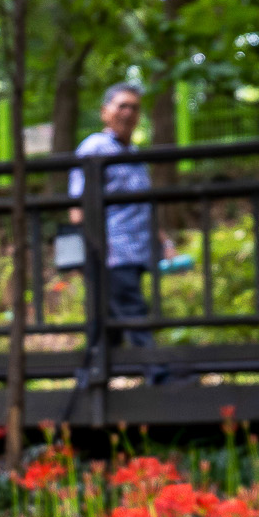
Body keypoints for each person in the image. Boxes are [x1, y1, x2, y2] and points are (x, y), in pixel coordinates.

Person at [68, 83, 175, 383]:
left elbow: (144, 206)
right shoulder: (95, 148)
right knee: (132, 312)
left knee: (107, 326)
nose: (128, 113)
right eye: (121, 106)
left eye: (134, 107)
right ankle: (160, 377)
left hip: (135, 249)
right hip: (110, 251)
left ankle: (88, 385)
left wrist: (164, 241)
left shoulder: (134, 153)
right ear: (105, 112)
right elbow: (78, 204)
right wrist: (86, 249)